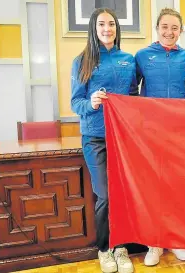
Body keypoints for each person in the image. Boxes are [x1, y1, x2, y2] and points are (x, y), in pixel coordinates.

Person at [71, 8, 137, 273]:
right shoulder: (82, 60)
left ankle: (121, 248)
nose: (107, 28)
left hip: (124, 138)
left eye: (111, 24)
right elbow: (76, 102)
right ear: (94, 28)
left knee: (123, 193)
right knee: (106, 193)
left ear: (117, 28)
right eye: (102, 24)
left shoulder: (128, 59)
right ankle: (104, 249)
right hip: (96, 136)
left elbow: (133, 96)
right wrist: (92, 103)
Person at [134, 8, 185, 266]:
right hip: (150, 132)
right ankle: (154, 243)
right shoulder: (142, 56)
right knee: (153, 187)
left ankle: (177, 239)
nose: (169, 32)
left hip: (180, 131)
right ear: (157, 29)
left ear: (180, 31)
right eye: (165, 27)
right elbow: (129, 92)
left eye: (175, 28)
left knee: (178, 186)